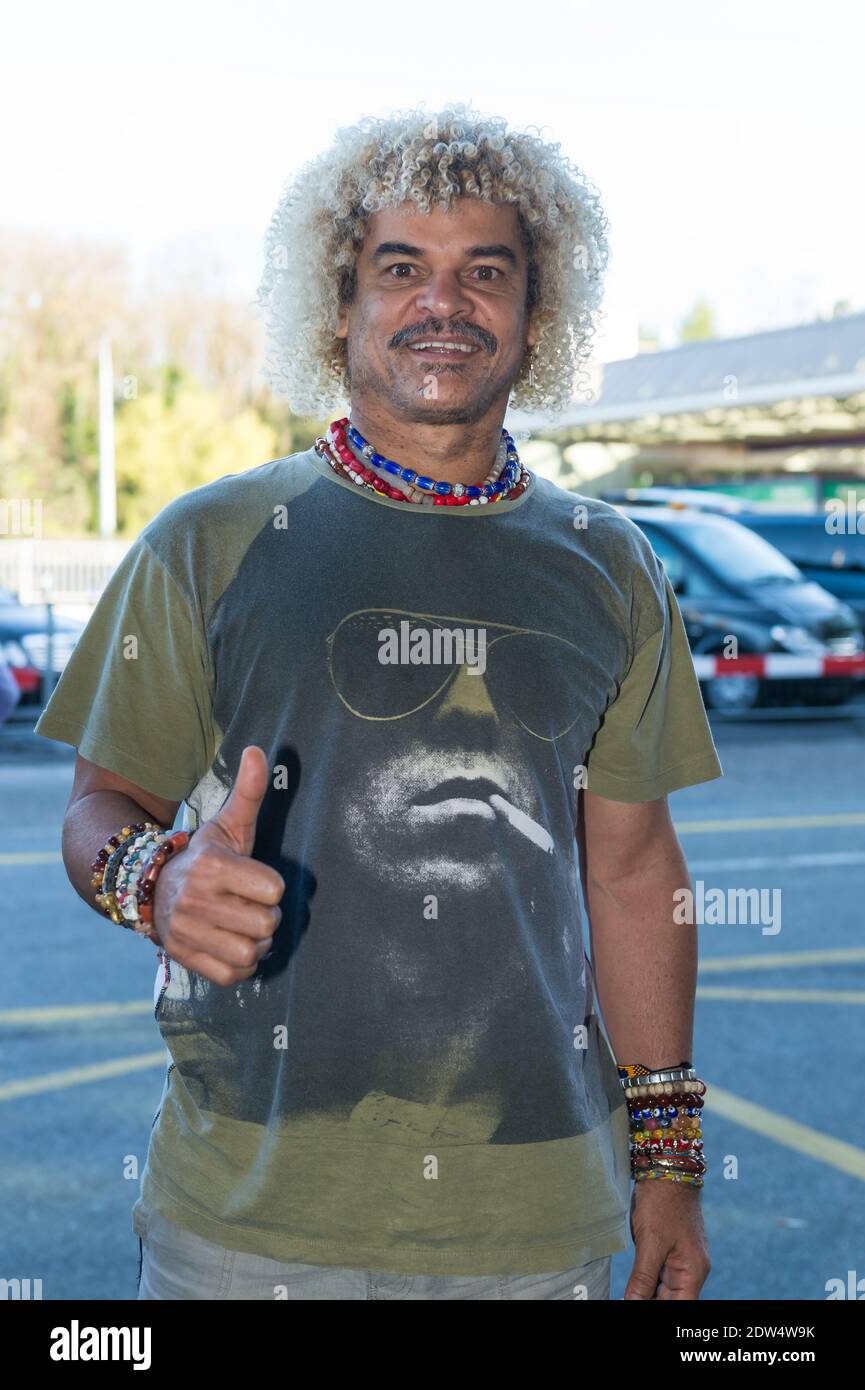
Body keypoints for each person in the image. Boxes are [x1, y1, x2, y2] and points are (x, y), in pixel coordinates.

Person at [36, 102, 723, 1301]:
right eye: (400, 268)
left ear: (534, 310)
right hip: (249, 1221)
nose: (442, 305)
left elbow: (629, 871)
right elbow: (100, 807)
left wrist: (667, 1159)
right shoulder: (211, 540)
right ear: (338, 305)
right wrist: (158, 880)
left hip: (537, 1220)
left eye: (485, 273)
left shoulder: (610, 563)